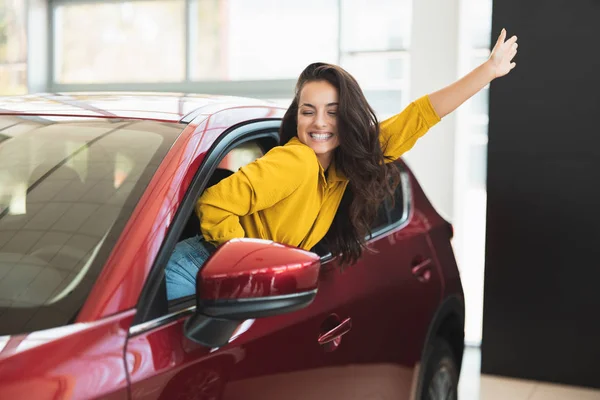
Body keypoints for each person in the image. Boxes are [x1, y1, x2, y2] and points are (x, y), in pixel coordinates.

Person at [166, 29, 518, 300]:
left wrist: (487, 72)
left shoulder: (338, 169)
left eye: (332, 112)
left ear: (347, 118)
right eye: (309, 111)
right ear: (297, 116)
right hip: (191, 270)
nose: (319, 123)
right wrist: (249, 267)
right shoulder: (297, 160)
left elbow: (418, 117)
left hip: (214, 273)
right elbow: (213, 203)